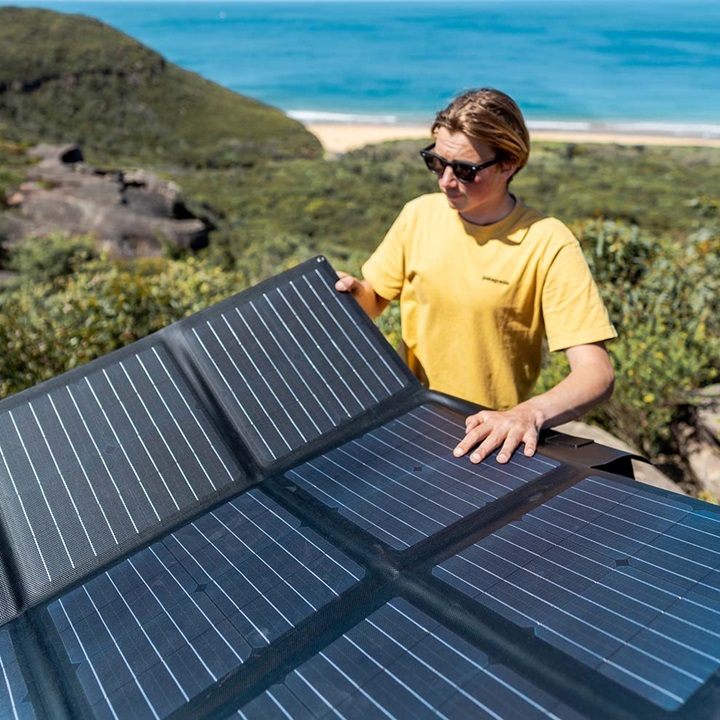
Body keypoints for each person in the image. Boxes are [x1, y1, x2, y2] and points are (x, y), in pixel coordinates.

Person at [335, 87, 616, 465]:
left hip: (488, 441)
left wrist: (527, 414)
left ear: (509, 164)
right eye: (436, 163)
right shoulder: (419, 215)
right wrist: (351, 294)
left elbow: (596, 373)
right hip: (409, 422)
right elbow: (374, 298)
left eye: (465, 170)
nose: (446, 181)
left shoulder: (548, 242)